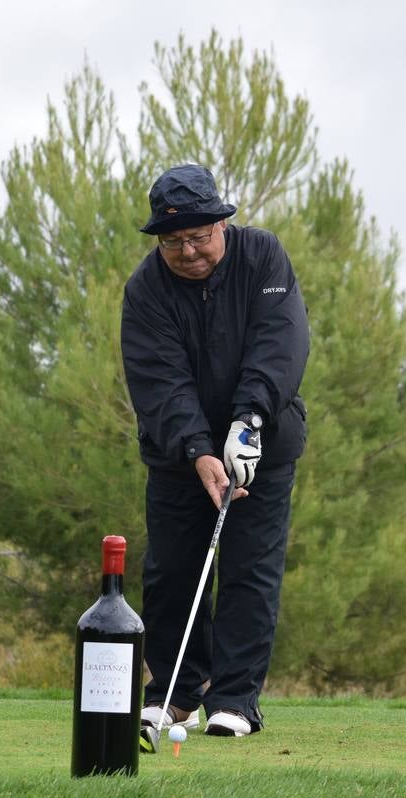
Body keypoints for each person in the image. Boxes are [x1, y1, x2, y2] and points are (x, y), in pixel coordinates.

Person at [121, 164, 309, 737]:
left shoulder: (264, 257)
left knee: (250, 570)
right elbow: (160, 381)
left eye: (200, 237)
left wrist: (249, 421)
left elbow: (280, 343)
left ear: (223, 224)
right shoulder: (145, 289)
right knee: (172, 572)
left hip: (263, 446)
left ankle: (235, 700)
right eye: (174, 241)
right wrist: (200, 451)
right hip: (179, 457)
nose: (189, 251)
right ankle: (175, 695)